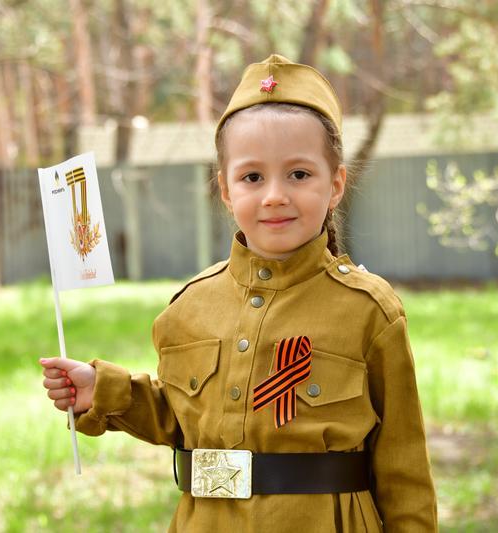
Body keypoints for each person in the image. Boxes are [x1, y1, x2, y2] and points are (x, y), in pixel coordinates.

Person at [40, 53, 437, 532]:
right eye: (252, 177)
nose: (274, 195)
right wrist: (100, 390)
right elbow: (180, 418)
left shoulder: (368, 310)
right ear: (226, 191)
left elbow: (403, 463)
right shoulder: (189, 307)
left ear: (335, 185)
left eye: (299, 174)